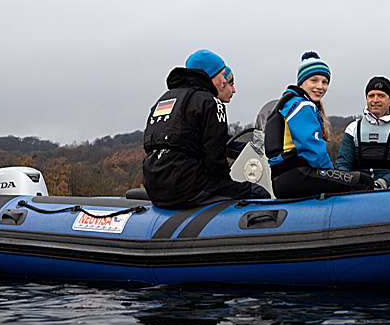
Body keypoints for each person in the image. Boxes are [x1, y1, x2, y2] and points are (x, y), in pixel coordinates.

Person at [142, 49, 270, 208]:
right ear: (210, 75)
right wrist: (228, 187)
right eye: (222, 75)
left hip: (155, 188)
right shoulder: (210, 102)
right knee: (259, 192)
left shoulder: (164, 100)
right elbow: (215, 157)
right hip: (187, 188)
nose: (224, 81)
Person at [265, 51, 375, 199]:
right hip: (296, 176)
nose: (320, 86)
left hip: (281, 179)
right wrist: (332, 172)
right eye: (314, 80)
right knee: (364, 181)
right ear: (302, 82)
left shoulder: (289, 102)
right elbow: (312, 149)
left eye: (325, 82)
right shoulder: (301, 105)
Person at [336, 76, 390, 189]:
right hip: (358, 190)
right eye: (371, 96)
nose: (375, 100)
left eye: (381, 96)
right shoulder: (353, 129)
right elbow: (343, 165)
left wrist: (384, 182)